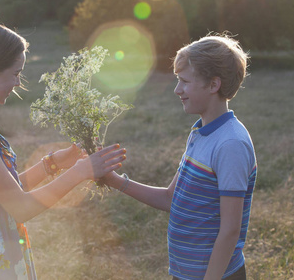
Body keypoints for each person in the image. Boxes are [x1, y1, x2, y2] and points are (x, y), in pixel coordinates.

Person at [0, 22, 126, 280]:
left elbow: (3, 192)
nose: (18, 82)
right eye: (15, 73)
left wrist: (53, 164)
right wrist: (81, 172)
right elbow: (20, 207)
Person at [103, 34, 256, 280]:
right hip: (186, 274)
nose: (177, 90)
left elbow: (230, 230)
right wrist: (113, 180)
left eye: (184, 81)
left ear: (213, 85)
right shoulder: (199, 132)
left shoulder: (231, 143)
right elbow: (170, 199)